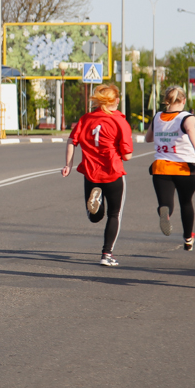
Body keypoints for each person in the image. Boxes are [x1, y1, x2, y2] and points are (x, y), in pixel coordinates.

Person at [61, 84, 133, 267]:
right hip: (113, 172)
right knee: (114, 214)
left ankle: (96, 202)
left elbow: (72, 140)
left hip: (91, 173)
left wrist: (68, 164)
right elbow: (128, 156)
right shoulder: (119, 121)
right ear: (116, 100)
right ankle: (106, 254)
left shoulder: (86, 119)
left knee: (94, 216)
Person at [144, 86, 195, 250]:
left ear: (166, 100)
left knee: (166, 203)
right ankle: (188, 238)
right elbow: (191, 131)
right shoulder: (187, 117)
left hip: (161, 168)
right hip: (183, 168)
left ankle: (165, 212)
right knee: (186, 203)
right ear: (184, 100)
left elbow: (147, 139)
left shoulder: (157, 116)